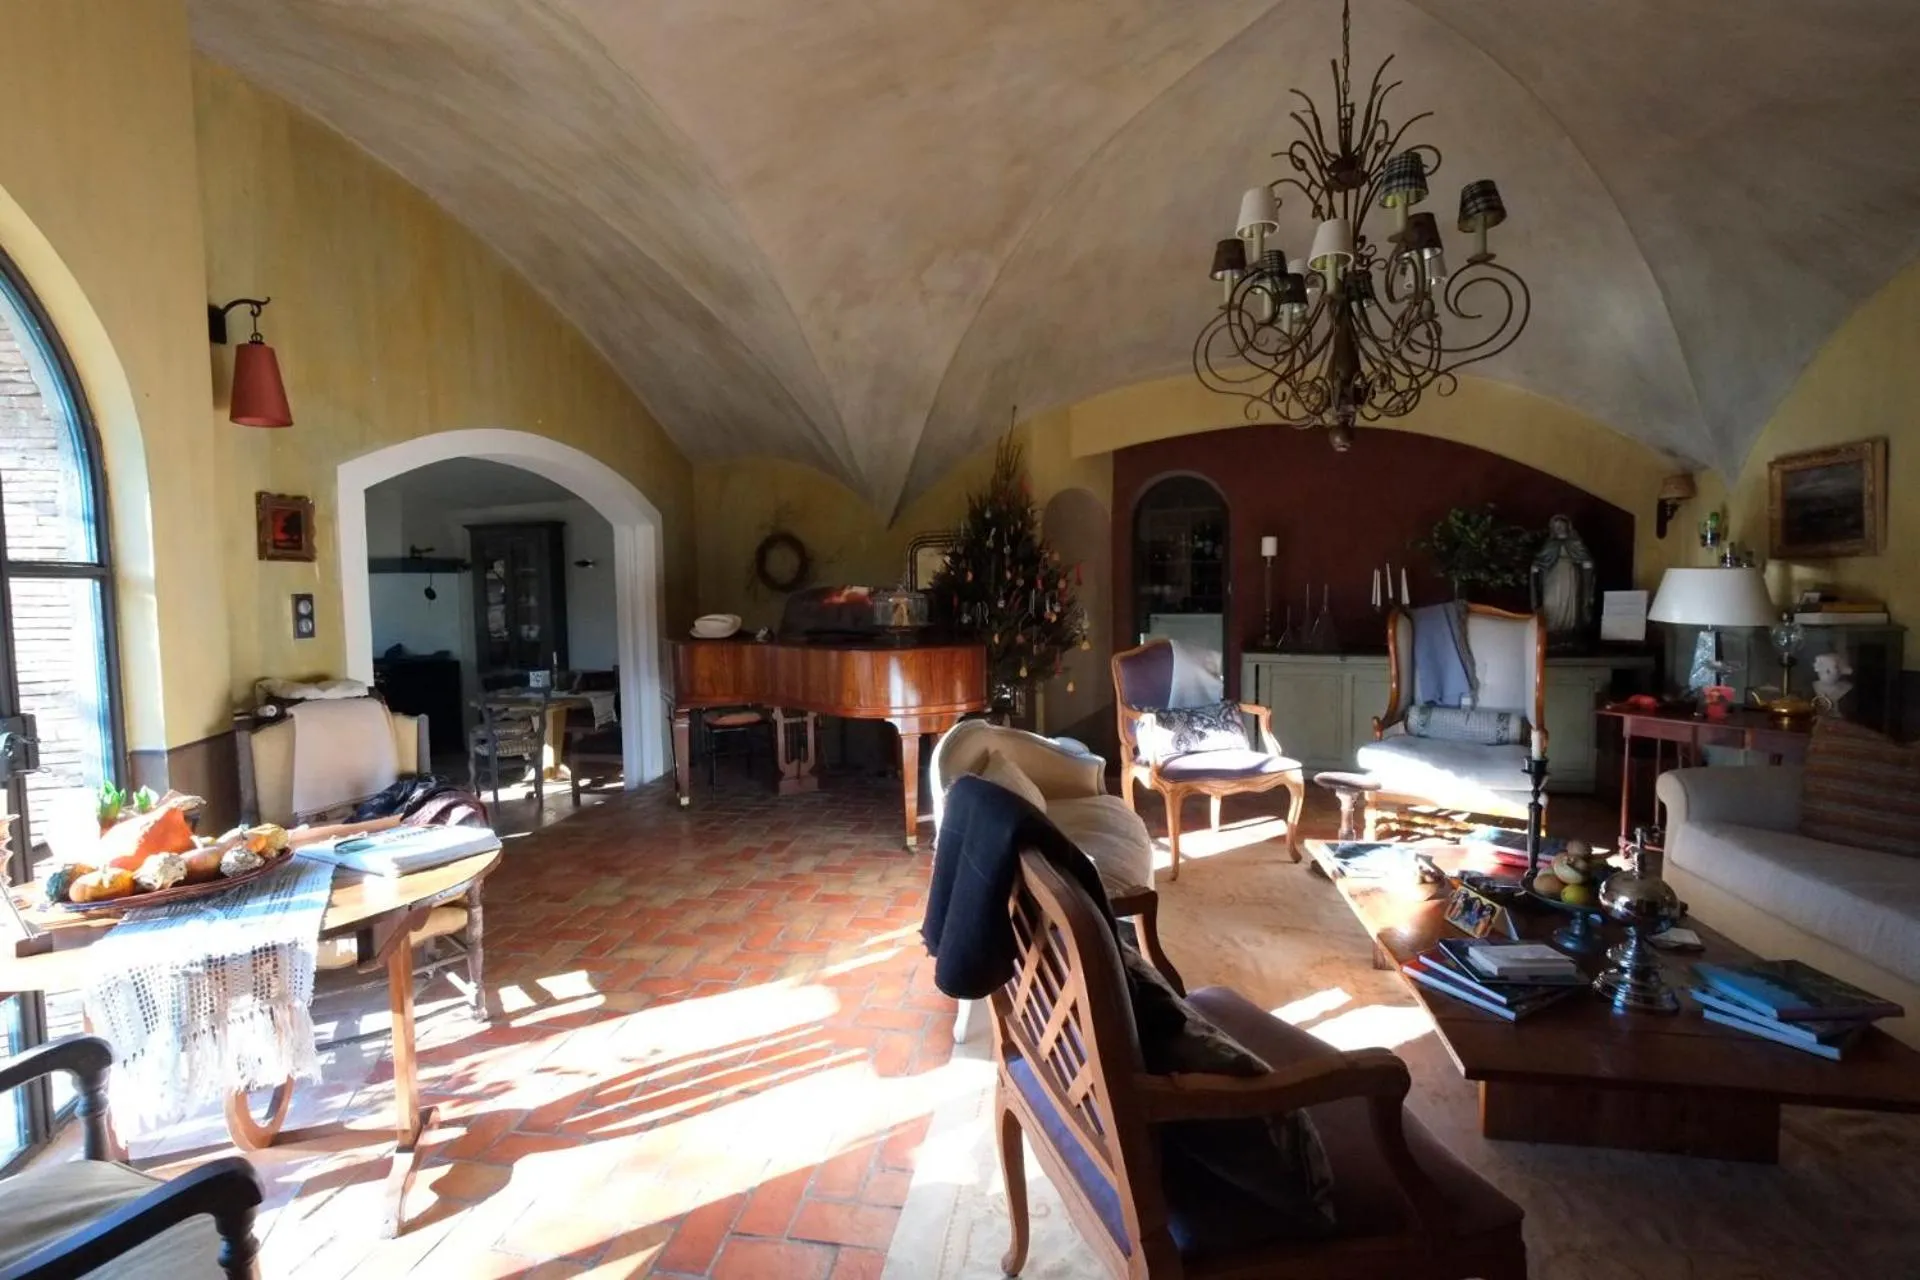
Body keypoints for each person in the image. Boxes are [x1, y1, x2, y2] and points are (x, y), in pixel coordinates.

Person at [1531, 514, 1595, 640]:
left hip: (1569, 574)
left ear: (1567, 526)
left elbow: (1585, 558)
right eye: (1556, 526)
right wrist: (1536, 567)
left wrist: (1587, 564)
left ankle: (1569, 629)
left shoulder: (1575, 542)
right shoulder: (1550, 544)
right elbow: (1542, 559)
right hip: (1551, 576)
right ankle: (1551, 629)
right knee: (1550, 601)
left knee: (1569, 601)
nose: (1559, 528)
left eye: (1561, 525)